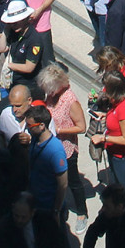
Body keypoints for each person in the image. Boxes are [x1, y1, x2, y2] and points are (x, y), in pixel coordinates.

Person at [38, 64, 91, 230]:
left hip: (66, 148)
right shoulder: (52, 96)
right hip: (51, 147)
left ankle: (82, 212)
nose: (48, 92)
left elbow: (82, 127)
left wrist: (59, 130)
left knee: (73, 182)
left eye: (50, 89)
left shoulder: (70, 100)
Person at [92, 70, 125, 204]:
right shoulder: (118, 103)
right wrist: (105, 115)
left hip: (123, 159)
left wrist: (104, 138)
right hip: (115, 154)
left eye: (107, 89)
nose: (104, 91)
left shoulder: (124, 109)